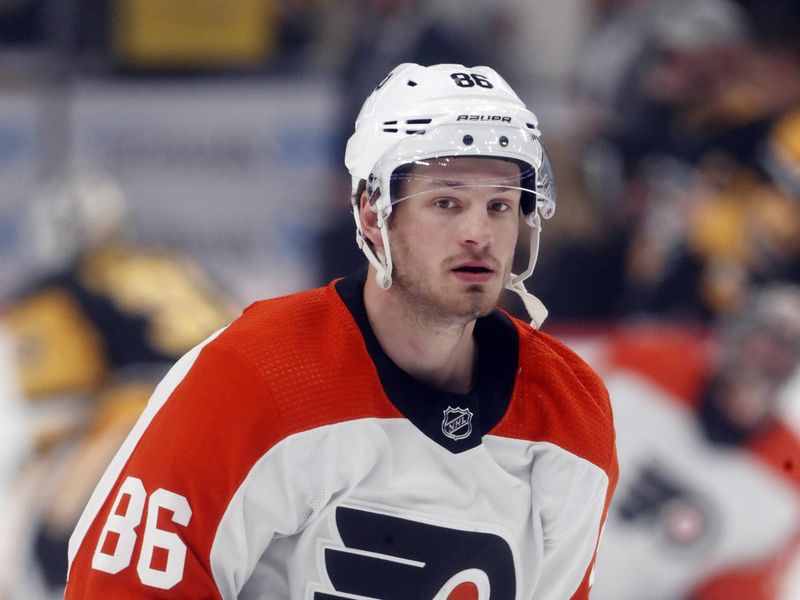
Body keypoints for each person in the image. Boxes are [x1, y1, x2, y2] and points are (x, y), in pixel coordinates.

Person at [64, 63, 618, 599]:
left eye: (500, 206)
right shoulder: (253, 374)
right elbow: (121, 589)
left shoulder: (570, 409)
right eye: (446, 203)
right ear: (373, 215)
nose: (479, 234)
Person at [0, 169, 236, 599]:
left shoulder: (61, 288)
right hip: (235, 396)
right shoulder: (173, 262)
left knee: (59, 533)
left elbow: (57, 395)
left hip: (143, 407)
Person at [581, 283, 800, 599]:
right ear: (727, 340)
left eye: (780, 358)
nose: (760, 366)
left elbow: (739, 590)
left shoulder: (785, 484)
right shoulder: (640, 368)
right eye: (757, 346)